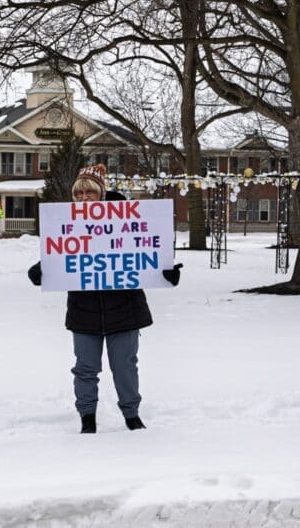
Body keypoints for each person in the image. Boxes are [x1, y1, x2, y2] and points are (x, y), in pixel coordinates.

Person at [28, 164, 183, 434]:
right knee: (85, 368)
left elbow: (146, 252)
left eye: (90, 191)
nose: (84, 197)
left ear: (102, 193)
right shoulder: (67, 224)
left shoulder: (127, 222)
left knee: (125, 366)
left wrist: (165, 272)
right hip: (83, 310)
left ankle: (132, 415)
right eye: (79, 193)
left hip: (124, 308)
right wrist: (42, 270)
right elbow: (61, 254)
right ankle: (87, 418)